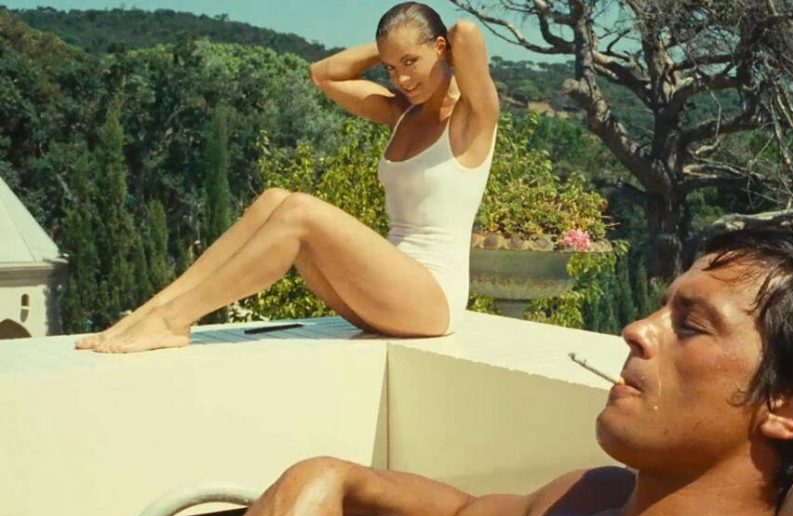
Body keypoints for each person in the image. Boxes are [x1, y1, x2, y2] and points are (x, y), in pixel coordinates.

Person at [219, 227, 793, 516]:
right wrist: (327, 475)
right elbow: (456, 515)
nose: (636, 329)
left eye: (690, 325)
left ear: (791, 408)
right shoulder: (588, 496)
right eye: (661, 308)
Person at [75, 2, 499, 353]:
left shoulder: (473, 119)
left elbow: (466, 33)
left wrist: (417, 38)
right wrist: (394, 44)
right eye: (390, 68)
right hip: (384, 294)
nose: (402, 78)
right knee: (274, 200)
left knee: (299, 211)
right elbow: (323, 74)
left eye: (411, 62)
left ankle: (174, 320)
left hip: (432, 301)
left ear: (440, 48)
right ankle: (150, 312)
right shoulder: (400, 112)